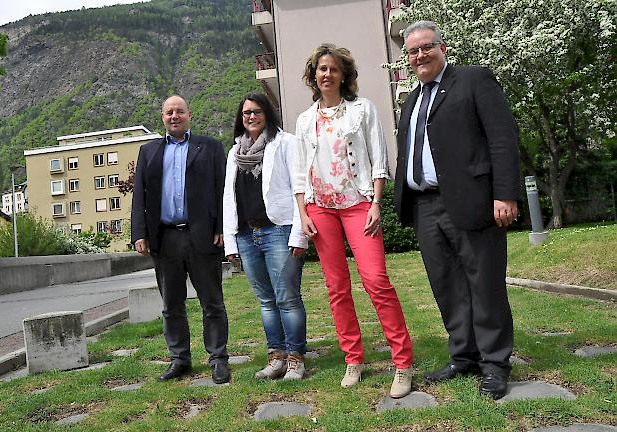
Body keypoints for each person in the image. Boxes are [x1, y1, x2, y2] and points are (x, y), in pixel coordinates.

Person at [393, 21, 520, 399]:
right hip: (425, 205)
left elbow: (502, 136)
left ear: (442, 47)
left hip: (473, 200)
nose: (419, 55)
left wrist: (506, 193)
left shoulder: (474, 80)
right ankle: (464, 356)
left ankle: (495, 363)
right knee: (447, 286)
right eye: (412, 51)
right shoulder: (411, 100)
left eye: (426, 47)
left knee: (485, 284)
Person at [293, 43, 414, 398]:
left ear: (343, 74)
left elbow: (379, 158)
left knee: (377, 281)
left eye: (332, 68)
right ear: (313, 75)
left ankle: (403, 363)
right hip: (320, 208)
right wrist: (302, 213)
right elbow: (300, 172)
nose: (326, 74)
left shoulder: (362, 110)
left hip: (359, 204)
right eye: (320, 69)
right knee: (336, 288)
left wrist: (377, 202)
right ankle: (353, 359)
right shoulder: (304, 120)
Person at [131, 95, 231, 384]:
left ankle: (218, 359)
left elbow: (222, 190)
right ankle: (179, 359)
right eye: (168, 112)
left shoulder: (209, 147)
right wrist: (139, 233)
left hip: (202, 236)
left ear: (189, 115)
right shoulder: (148, 151)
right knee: (171, 305)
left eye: (179, 111)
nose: (174, 116)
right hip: (165, 239)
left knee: (212, 303)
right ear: (162, 117)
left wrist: (222, 227)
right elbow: (140, 196)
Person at [223, 93, 309, 380]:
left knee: (287, 297)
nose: (251, 117)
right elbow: (228, 199)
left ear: (268, 114)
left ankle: (296, 358)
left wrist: (299, 233)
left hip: (279, 230)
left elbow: (301, 187)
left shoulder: (285, 143)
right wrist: (231, 241)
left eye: (257, 111)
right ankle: (276, 357)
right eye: (246, 113)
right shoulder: (235, 153)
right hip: (247, 234)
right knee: (265, 300)